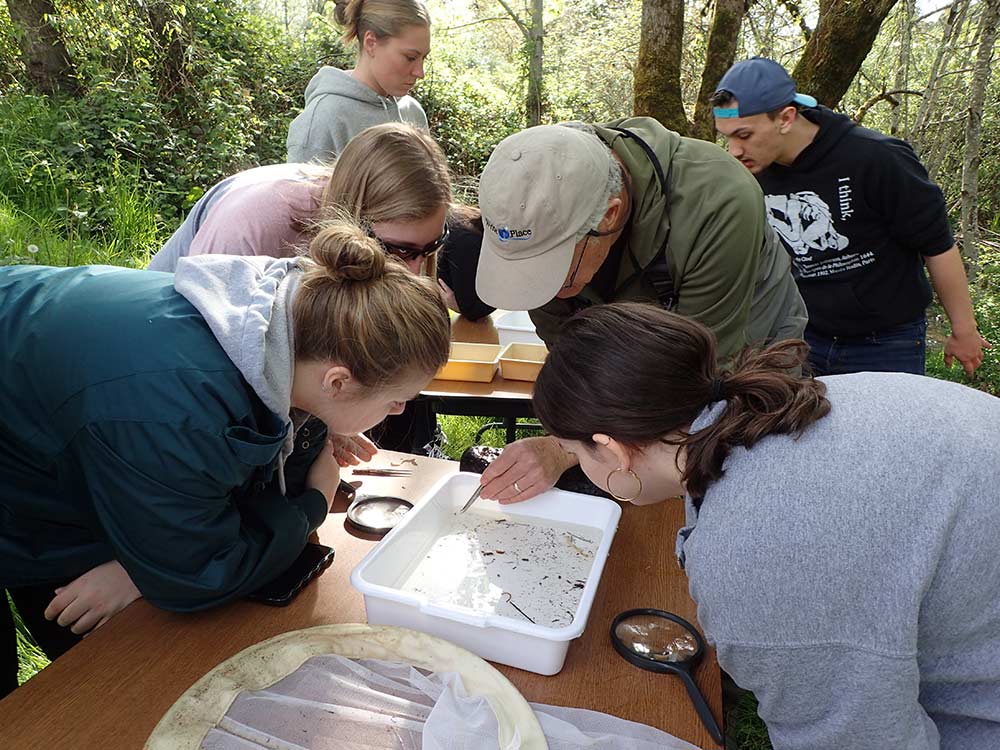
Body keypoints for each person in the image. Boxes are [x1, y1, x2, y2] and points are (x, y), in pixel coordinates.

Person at [0, 220, 451, 697]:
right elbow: (197, 573)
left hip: (63, 417)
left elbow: (238, 483)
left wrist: (148, 562)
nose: (398, 411)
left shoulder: (294, 324)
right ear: (338, 383)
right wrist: (318, 497)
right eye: (398, 399)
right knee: (92, 687)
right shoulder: (177, 413)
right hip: (42, 446)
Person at [531, 301, 1000, 750]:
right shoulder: (776, 407)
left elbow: (858, 738)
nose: (576, 461)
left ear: (612, 450)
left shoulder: (761, 553)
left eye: (573, 452)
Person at [472, 118, 808, 504]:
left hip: (736, 364)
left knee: (722, 495)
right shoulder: (536, 195)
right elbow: (577, 364)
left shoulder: (718, 200)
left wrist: (566, 449)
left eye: (554, 263)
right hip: (648, 388)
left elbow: (692, 383)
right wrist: (569, 442)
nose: (541, 287)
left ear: (610, 215)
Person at [148, 123, 489, 457]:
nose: (412, 269)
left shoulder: (405, 245)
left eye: (430, 247)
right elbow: (210, 353)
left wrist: (321, 420)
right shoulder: (258, 222)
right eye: (400, 251)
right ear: (357, 216)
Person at [711, 56, 989, 377]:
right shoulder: (749, 173)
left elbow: (937, 245)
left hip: (886, 341)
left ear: (786, 118)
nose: (734, 150)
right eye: (726, 136)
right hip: (802, 337)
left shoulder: (876, 158)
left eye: (744, 135)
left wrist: (964, 329)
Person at [286, 0, 430, 163]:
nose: (420, 72)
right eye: (410, 57)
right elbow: (301, 188)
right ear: (371, 43)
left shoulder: (413, 112)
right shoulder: (324, 119)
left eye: (423, 58)